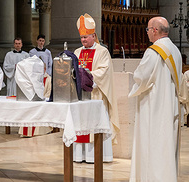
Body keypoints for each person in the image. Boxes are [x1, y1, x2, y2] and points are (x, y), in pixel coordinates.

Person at [128, 17, 183, 182]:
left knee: (153, 143)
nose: (147, 33)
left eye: (147, 29)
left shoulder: (154, 51)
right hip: (170, 105)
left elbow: (141, 77)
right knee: (166, 144)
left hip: (154, 107)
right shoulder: (175, 50)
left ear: (154, 30)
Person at [73, 13, 120, 163]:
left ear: (93, 35)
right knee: (81, 125)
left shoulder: (102, 51)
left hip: (95, 94)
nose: (83, 40)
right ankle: (80, 155)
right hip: (80, 97)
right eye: (81, 38)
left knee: (95, 125)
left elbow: (103, 72)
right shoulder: (77, 52)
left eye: (86, 37)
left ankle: (97, 155)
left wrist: (86, 78)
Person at [18, 62, 52, 137]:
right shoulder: (32, 79)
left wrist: (41, 99)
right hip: (33, 102)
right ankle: (26, 132)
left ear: (44, 69)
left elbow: (49, 93)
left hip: (43, 104)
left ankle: (38, 131)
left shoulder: (49, 79)